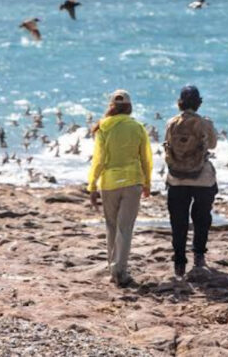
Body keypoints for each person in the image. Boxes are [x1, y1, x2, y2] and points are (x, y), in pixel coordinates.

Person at [87, 89, 152, 287]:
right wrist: (147, 183)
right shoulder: (137, 127)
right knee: (125, 228)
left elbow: (98, 159)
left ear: (111, 107)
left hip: (109, 183)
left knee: (111, 227)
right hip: (132, 182)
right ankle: (120, 270)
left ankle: (113, 268)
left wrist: (92, 185)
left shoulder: (103, 127)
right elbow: (146, 158)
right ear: (129, 107)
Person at [163, 85, 218, 278]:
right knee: (202, 218)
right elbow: (212, 144)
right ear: (199, 103)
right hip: (202, 178)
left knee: (178, 221)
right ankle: (199, 255)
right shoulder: (205, 123)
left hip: (176, 177)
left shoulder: (172, 122)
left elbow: (167, 144)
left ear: (180, 103)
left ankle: (179, 262)